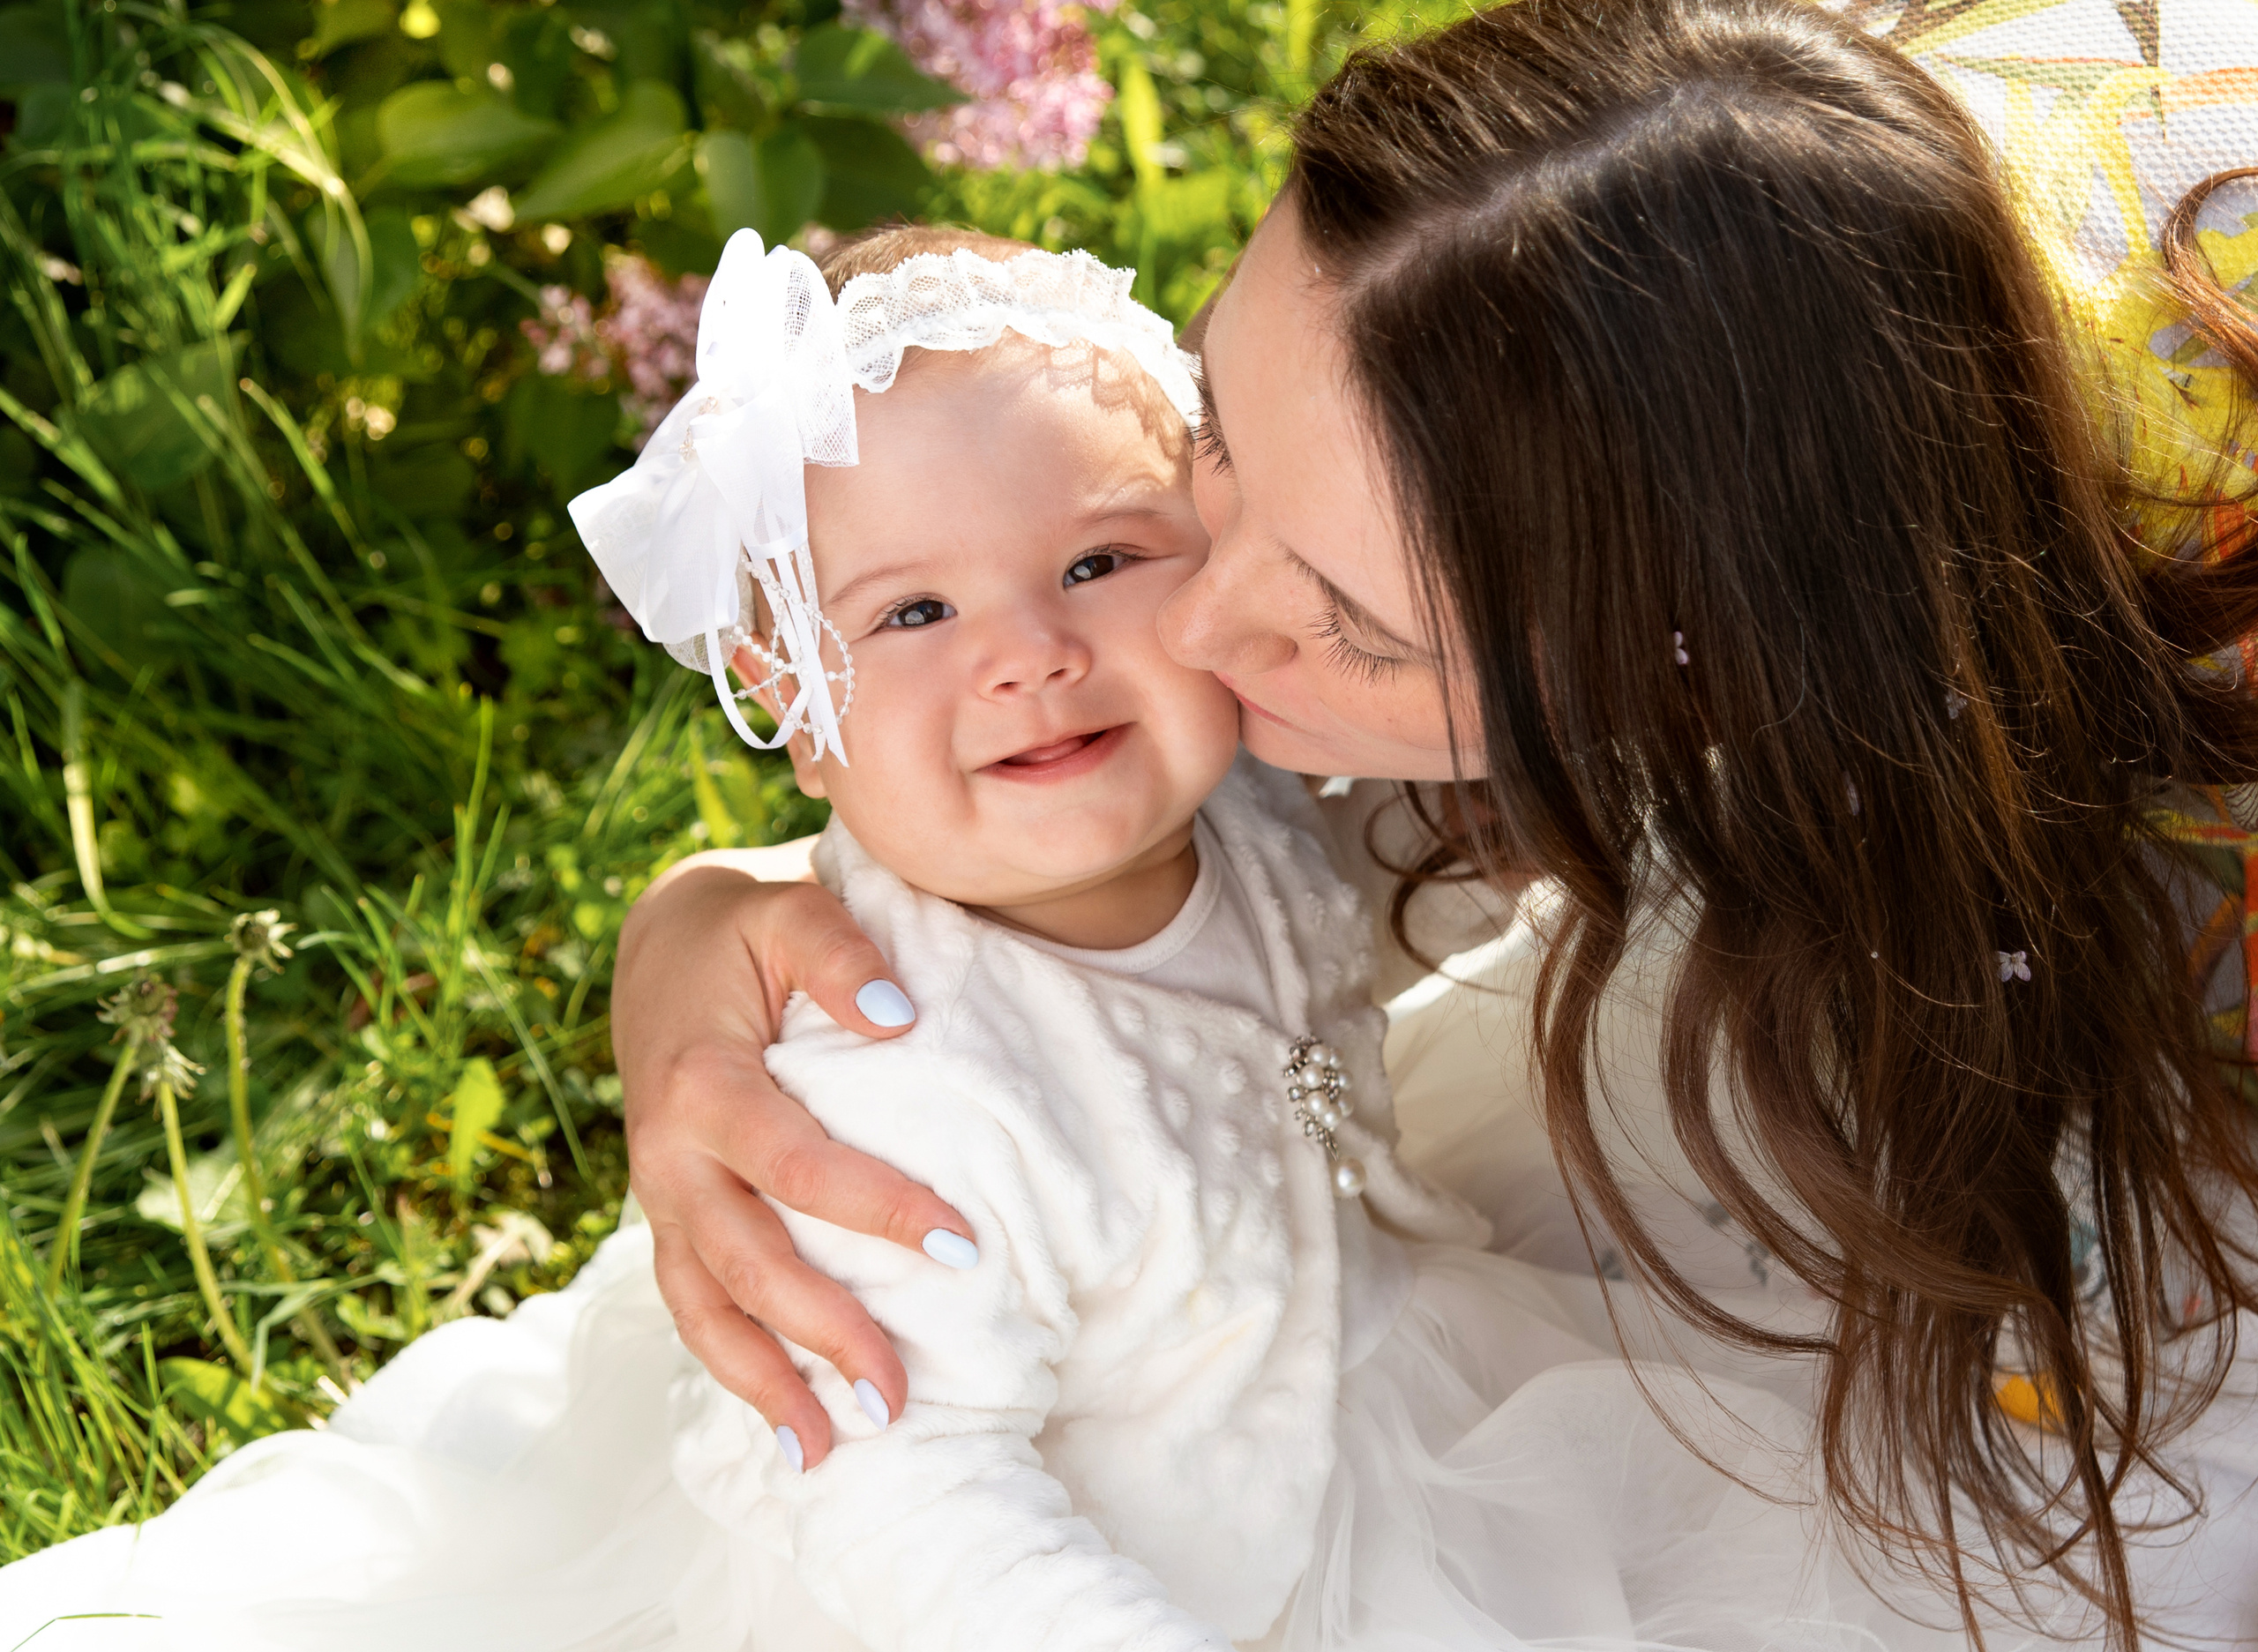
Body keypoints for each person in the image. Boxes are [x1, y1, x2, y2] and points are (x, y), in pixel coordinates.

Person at [0, 222, 1955, 1652]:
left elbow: (1486, 813)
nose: (1027, 649)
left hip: (1335, 1391)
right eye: (910, 615)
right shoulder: (888, 1087)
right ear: (783, 686)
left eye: (1098, 560)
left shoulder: (1260, 809)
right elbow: (894, 1492)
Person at [608, 0, 2258, 1644]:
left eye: (1351, 623)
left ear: (1697, 667)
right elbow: (888, 1464)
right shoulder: (1699, 153)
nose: (1171, 631)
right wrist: (698, 918)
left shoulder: (2128, 801)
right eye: (1223, 448)